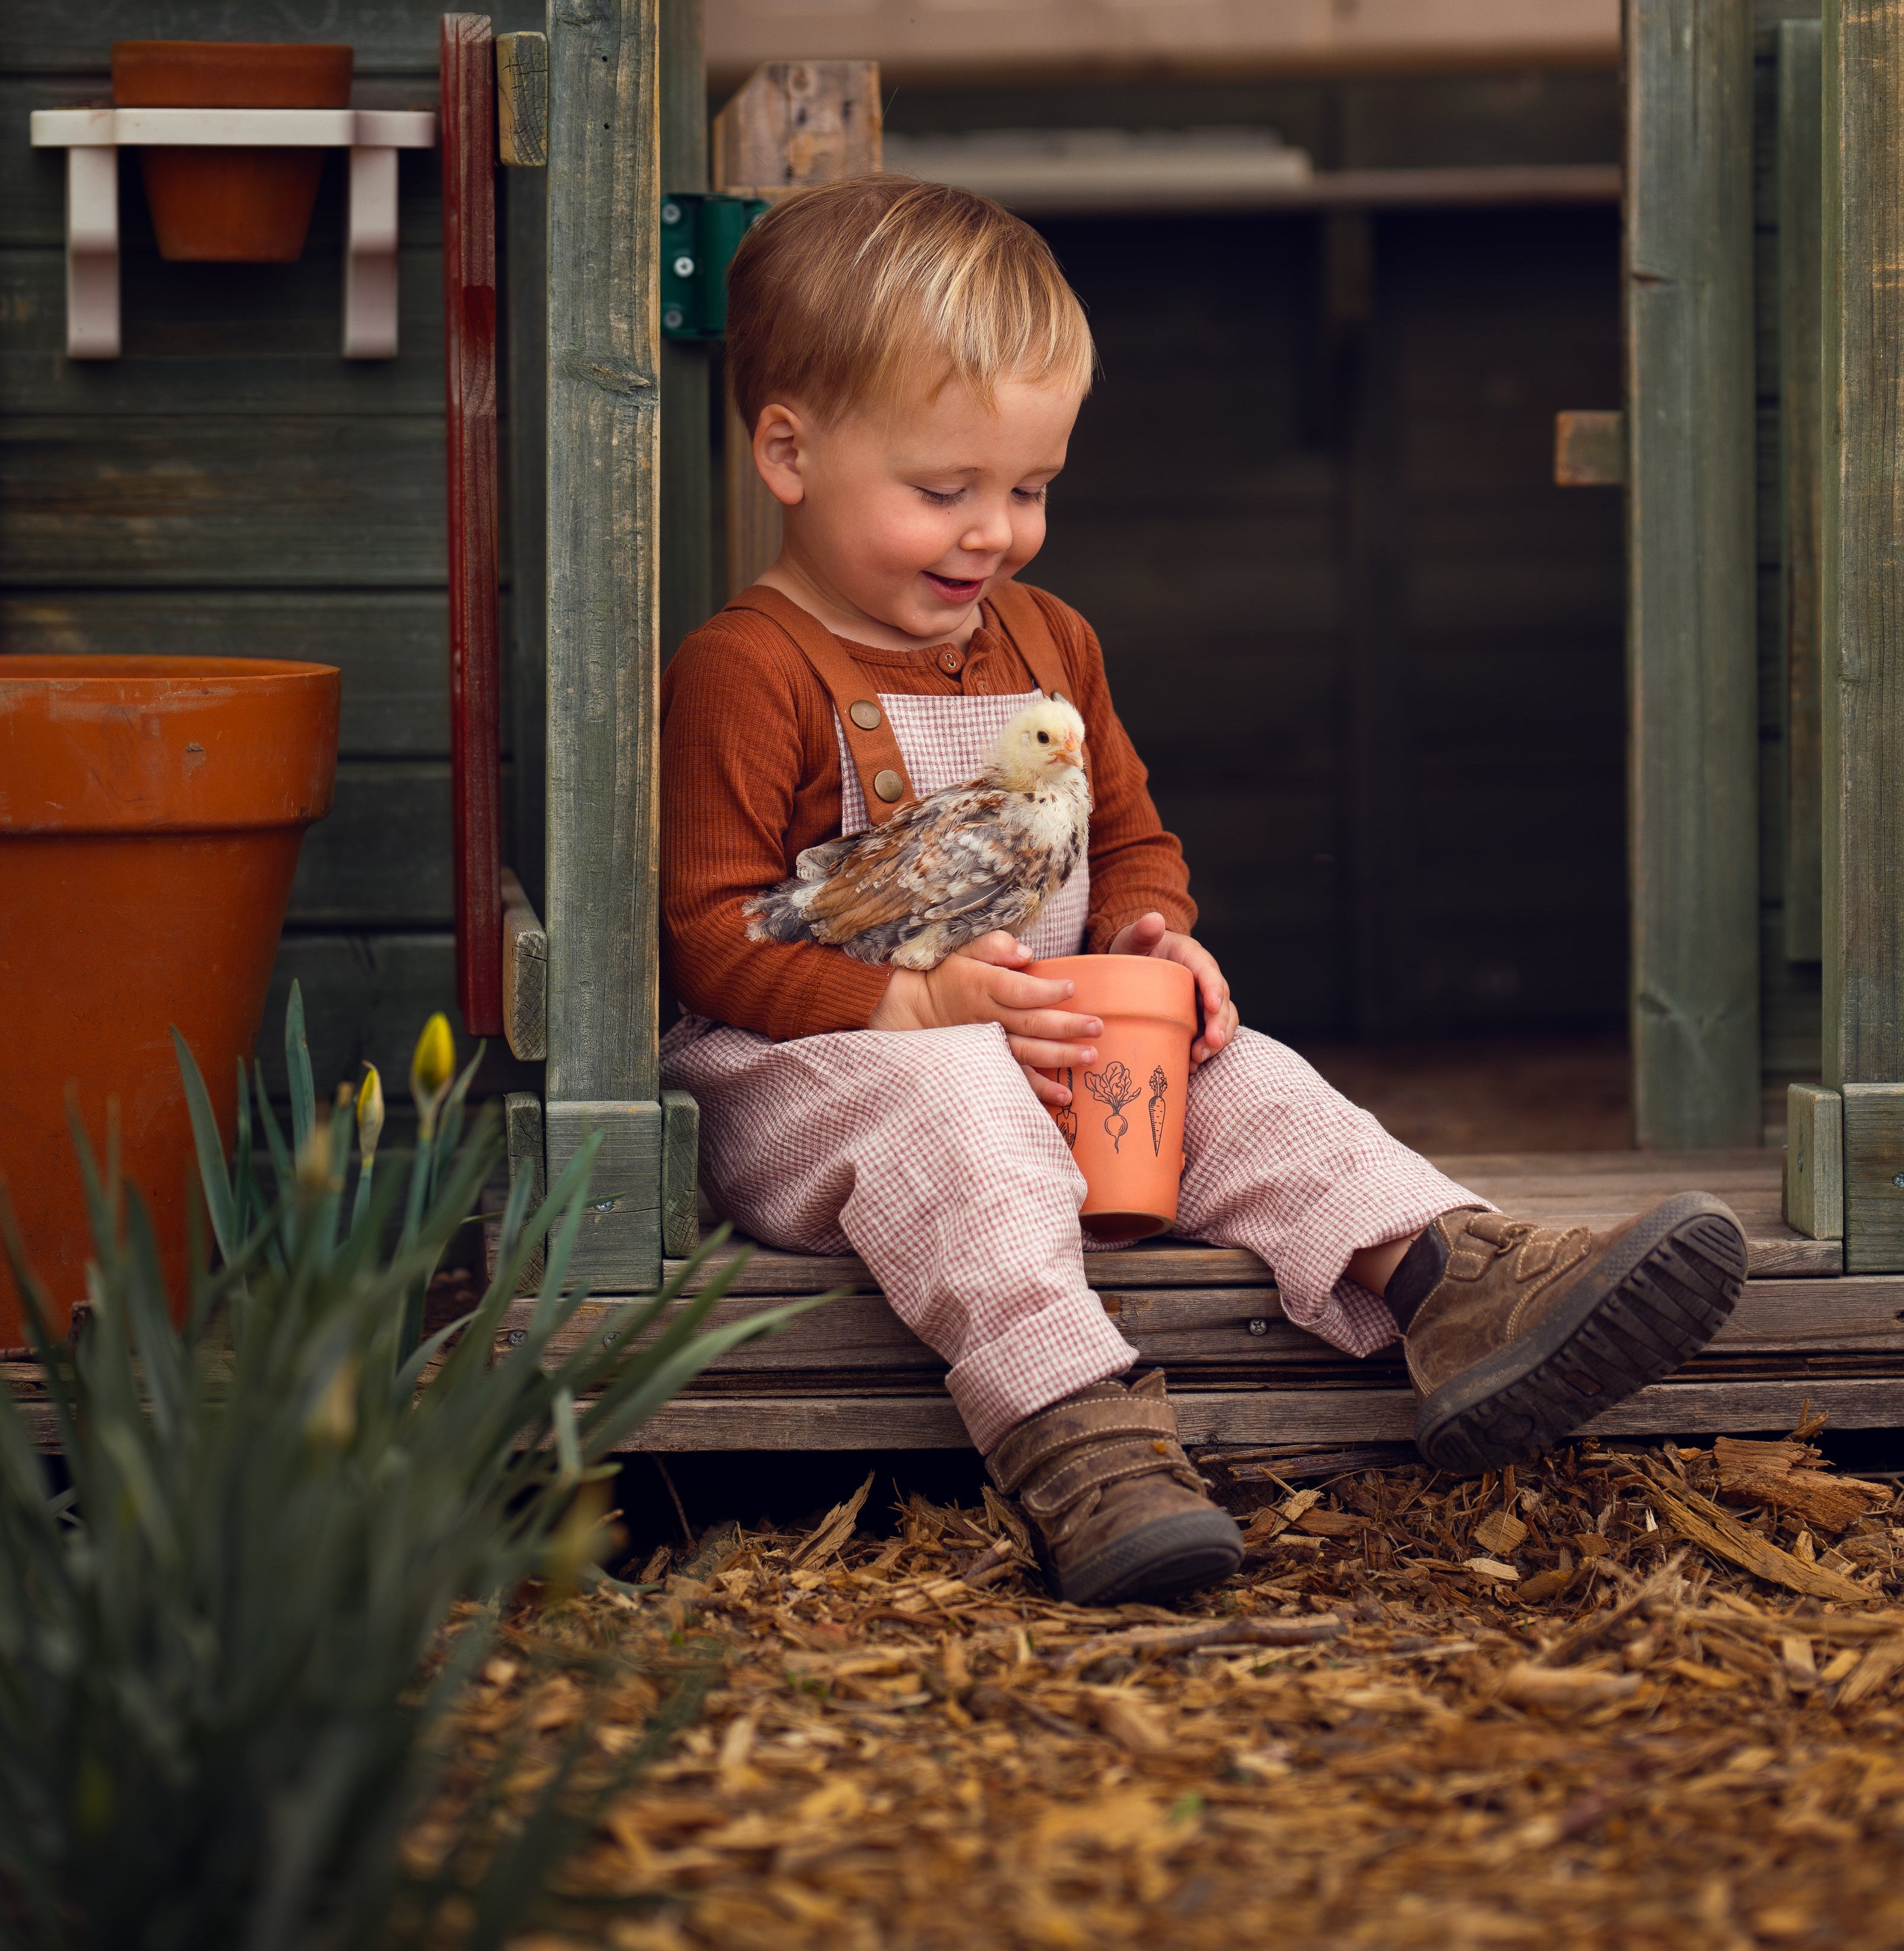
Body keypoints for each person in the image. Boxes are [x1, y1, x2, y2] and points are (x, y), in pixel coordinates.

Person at [659, 174, 1746, 1608]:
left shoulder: (1051, 639)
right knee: (957, 1109)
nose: (995, 532)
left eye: (1032, 489)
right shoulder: (749, 670)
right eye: (945, 492)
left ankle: (1453, 1277)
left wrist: (1146, 938)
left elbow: (1130, 840)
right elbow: (710, 936)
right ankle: (1075, 1433)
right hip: (821, 1082)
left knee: (1248, 1074)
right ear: (788, 455)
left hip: (1045, 1039)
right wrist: (913, 1004)